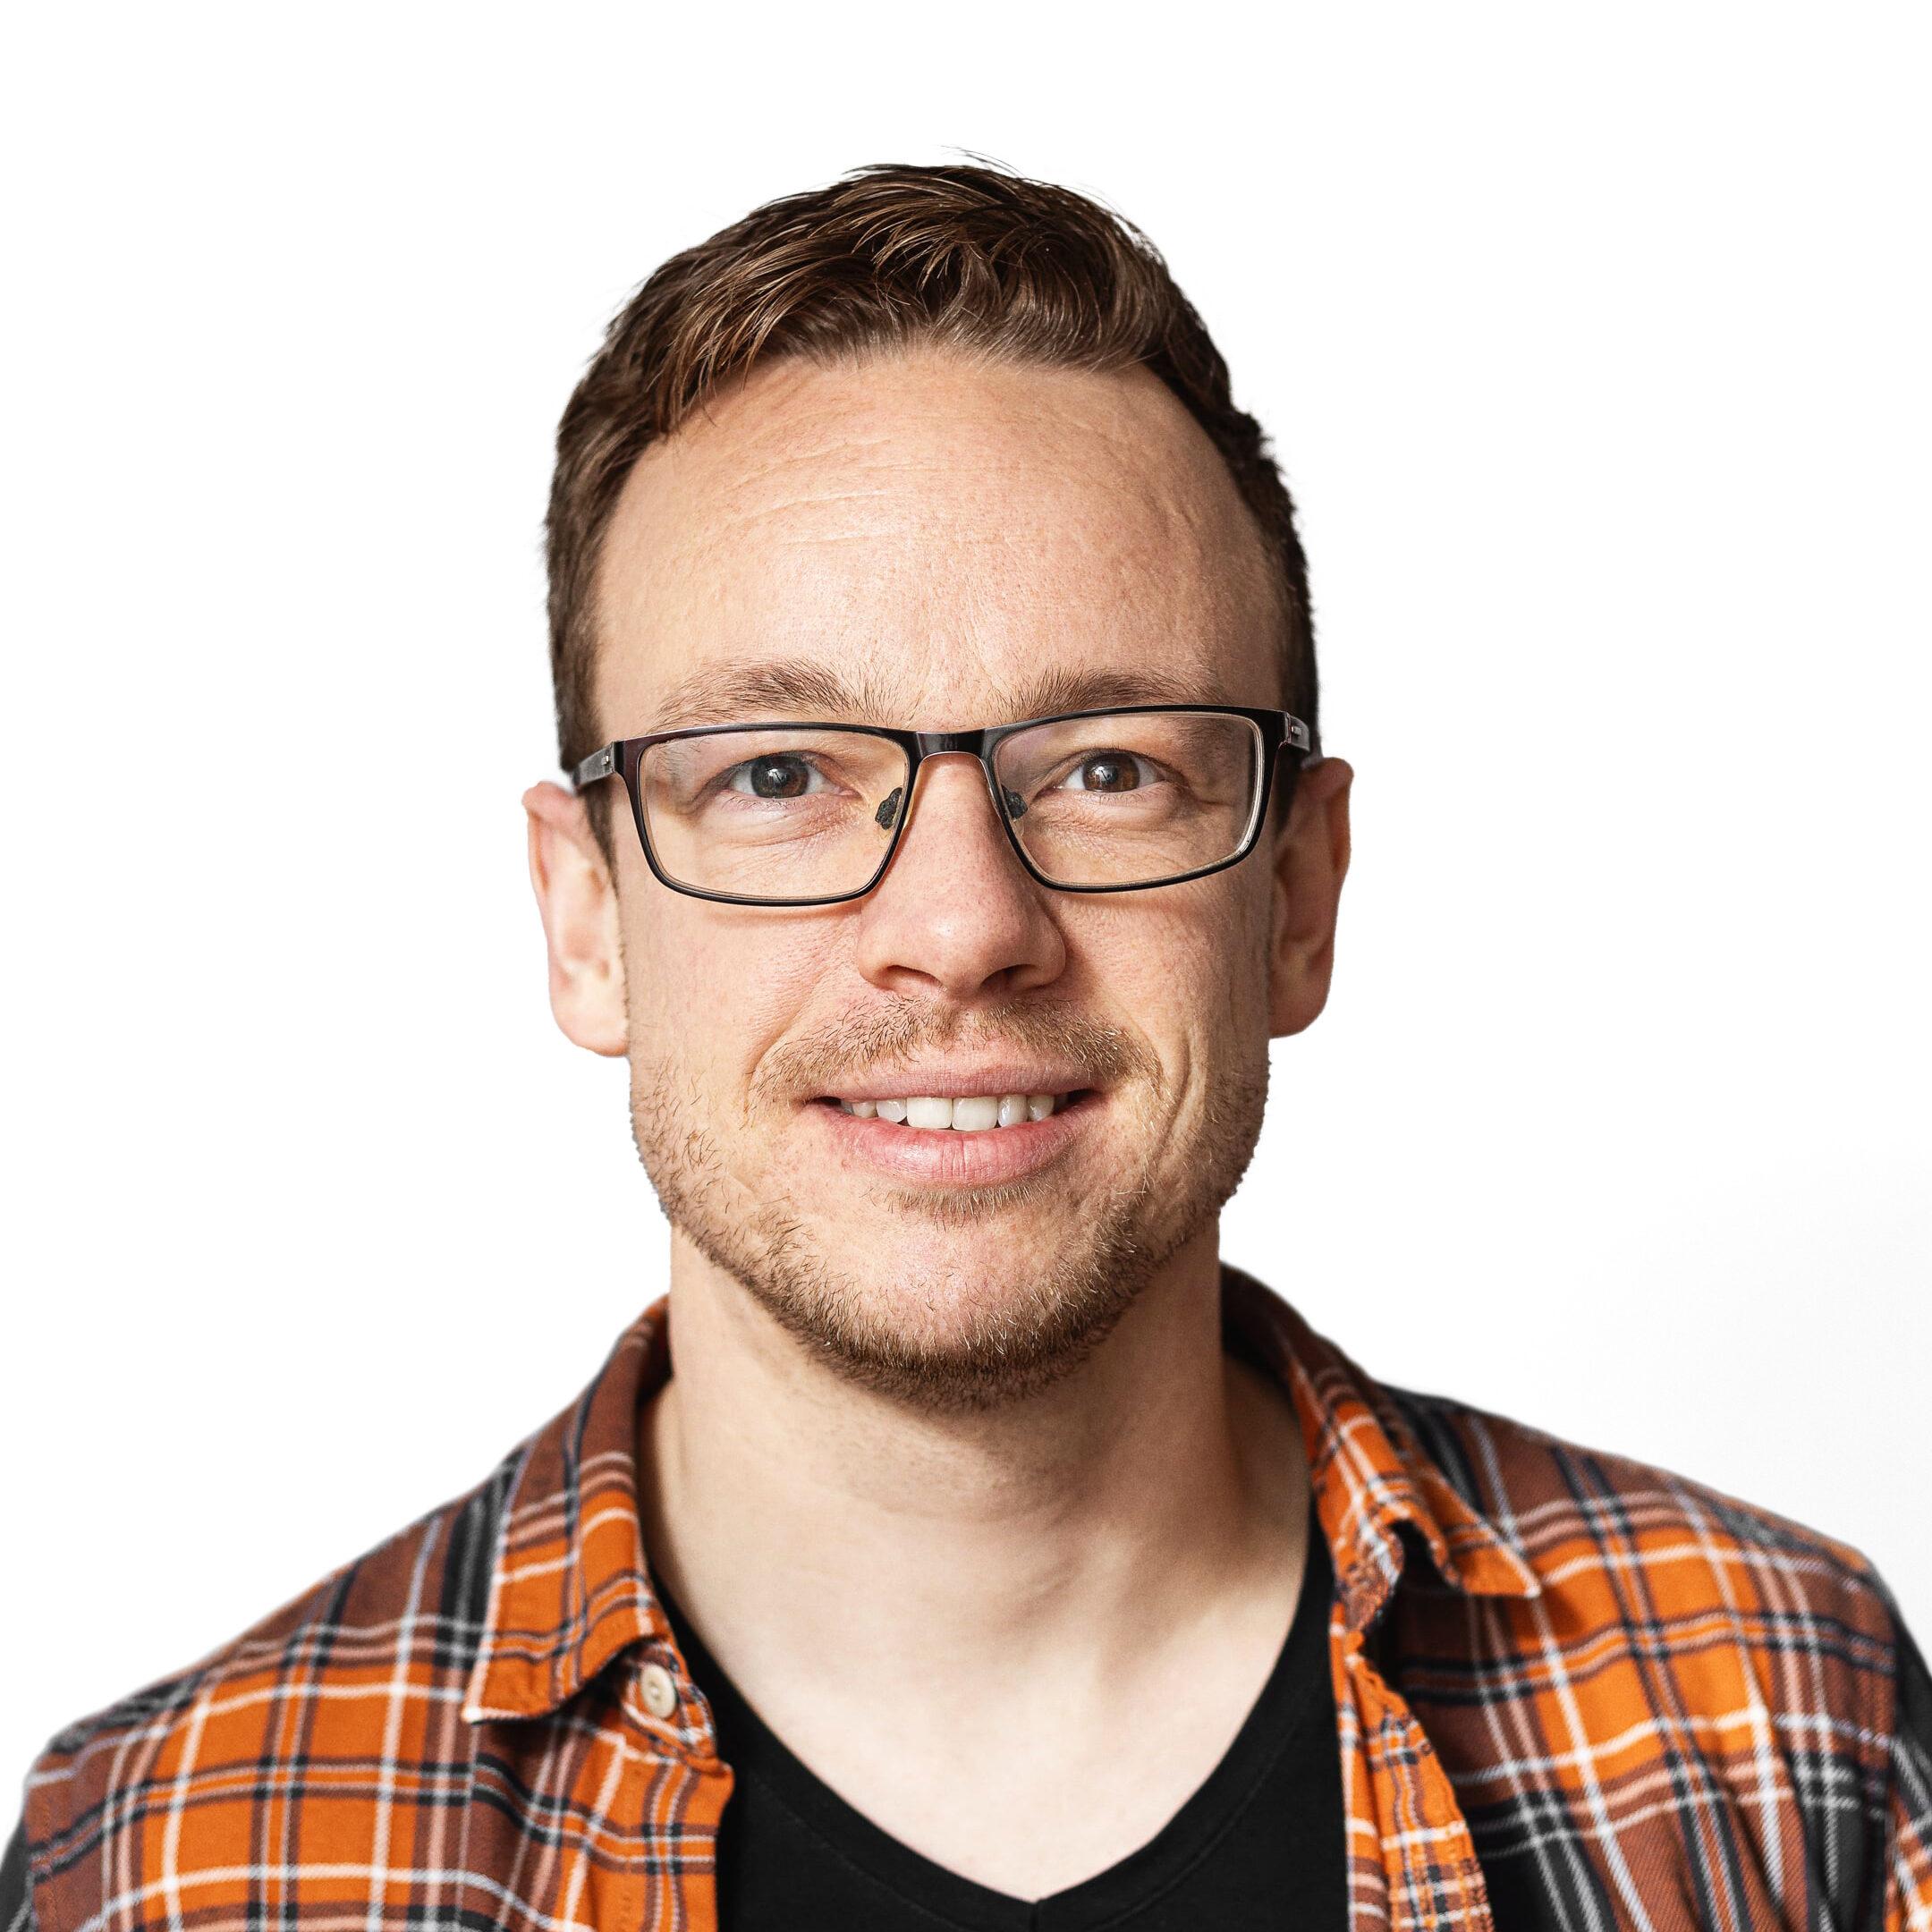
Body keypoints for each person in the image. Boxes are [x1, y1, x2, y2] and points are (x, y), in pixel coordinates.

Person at [6, 163, 1928, 1932]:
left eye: (1109, 768)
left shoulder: (1785, 1720)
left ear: (1298, 895)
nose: (960, 928)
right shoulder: (180, 1861)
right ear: (585, 918)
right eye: (775, 773)